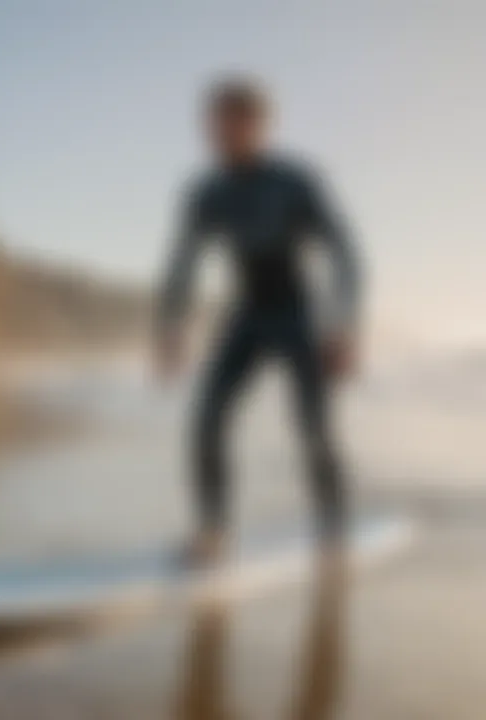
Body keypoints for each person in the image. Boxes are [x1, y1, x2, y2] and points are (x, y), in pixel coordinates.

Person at [155, 76, 362, 563]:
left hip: (299, 316)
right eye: (212, 124)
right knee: (207, 420)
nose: (217, 134)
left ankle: (332, 529)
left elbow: (345, 254)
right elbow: (183, 262)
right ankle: (213, 530)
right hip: (246, 315)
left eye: (229, 123)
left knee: (313, 428)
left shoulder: (295, 181)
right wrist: (171, 324)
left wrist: (343, 324)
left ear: (258, 125)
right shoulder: (207, 191)